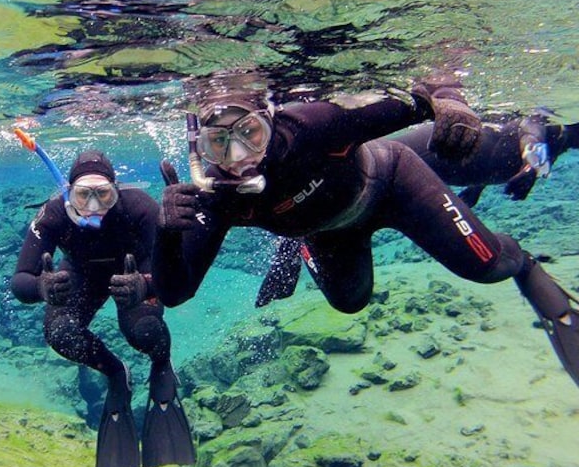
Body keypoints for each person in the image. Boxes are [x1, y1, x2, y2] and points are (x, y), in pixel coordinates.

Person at [152, 80, 579, 388]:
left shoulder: (314, 125)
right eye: (219, 144)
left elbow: (421, 97)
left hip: (391, 181)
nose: (239, 158)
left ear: (269, 119)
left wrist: (452, 104)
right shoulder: (215, 196)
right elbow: (174, 292)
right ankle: (297, 244)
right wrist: (167, 233)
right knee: (349, 302)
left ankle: (525, 263)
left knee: (489, 266)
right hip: (329, 230)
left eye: (251, 134)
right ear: (200, 148)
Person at [256, 109, 579, 307]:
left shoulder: (556, 143)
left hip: (418, 173)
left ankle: (300, 233)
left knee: (351, 300)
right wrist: (532, 168)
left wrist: (475, 190)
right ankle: (295, 236)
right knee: (341, 184)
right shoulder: (553, 129)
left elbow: (494, 152)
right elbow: (531, 129)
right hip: (401, 163)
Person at [10, 150, 195, 467]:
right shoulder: (52, 213)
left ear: (116, 190)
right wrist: (42, 287)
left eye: (103, 195)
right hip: (81, 274)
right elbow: (21, 279)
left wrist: (146, 285)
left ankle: (161, 364)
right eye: (83, 195)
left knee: (145, 331)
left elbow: (173, 269)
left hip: (135, 272)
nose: (94, 206)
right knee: (61, 334)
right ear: (68, 192)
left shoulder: (138, 206)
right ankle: (114, 372)